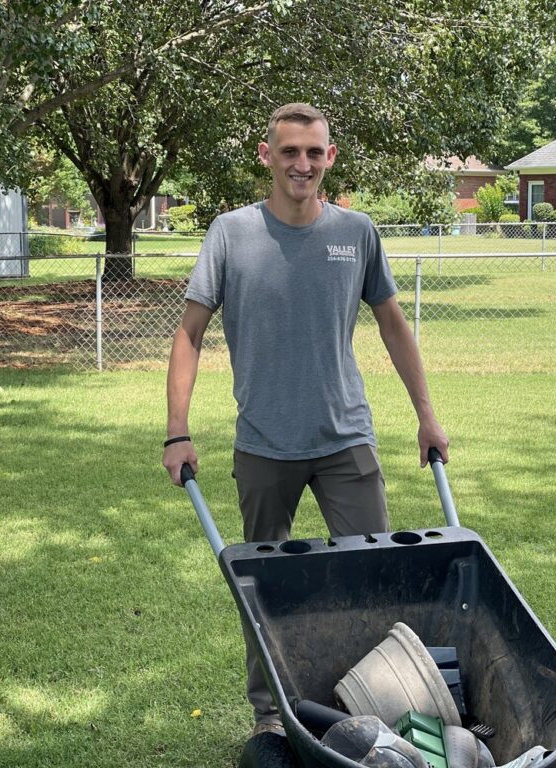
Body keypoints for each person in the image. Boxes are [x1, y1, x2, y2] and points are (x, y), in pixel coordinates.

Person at [162, 102, 449, 736]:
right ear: (267, 156)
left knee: (374, 580)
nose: (302, 163)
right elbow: (188, 335)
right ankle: (271, 716)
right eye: (290, 151)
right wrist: (178, 430)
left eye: (314, 152)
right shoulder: (231, 234)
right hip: (264, 446)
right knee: (266, 590)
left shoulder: (357, 233)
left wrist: (427, 417)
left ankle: (379, 708)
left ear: (330, 158)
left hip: (347, 438)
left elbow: (394, 325)